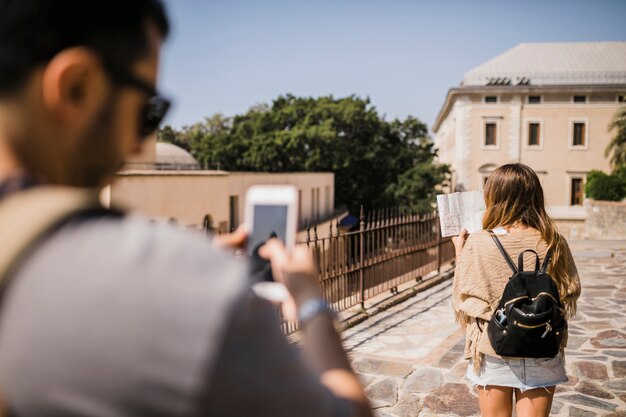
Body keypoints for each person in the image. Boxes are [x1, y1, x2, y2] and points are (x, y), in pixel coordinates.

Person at [0, 1, 372, 416]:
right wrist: (311, 303)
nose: (140, 145)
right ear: (76, 87)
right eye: (148, 111)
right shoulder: (180, 287)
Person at [451, 163, 581, 417]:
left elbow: (464, 293)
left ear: (494, 197)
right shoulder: (553, 239)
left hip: (494, 345)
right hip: (543, 343)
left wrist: (460, 251)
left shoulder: (479, 241)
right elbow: (568, 290)